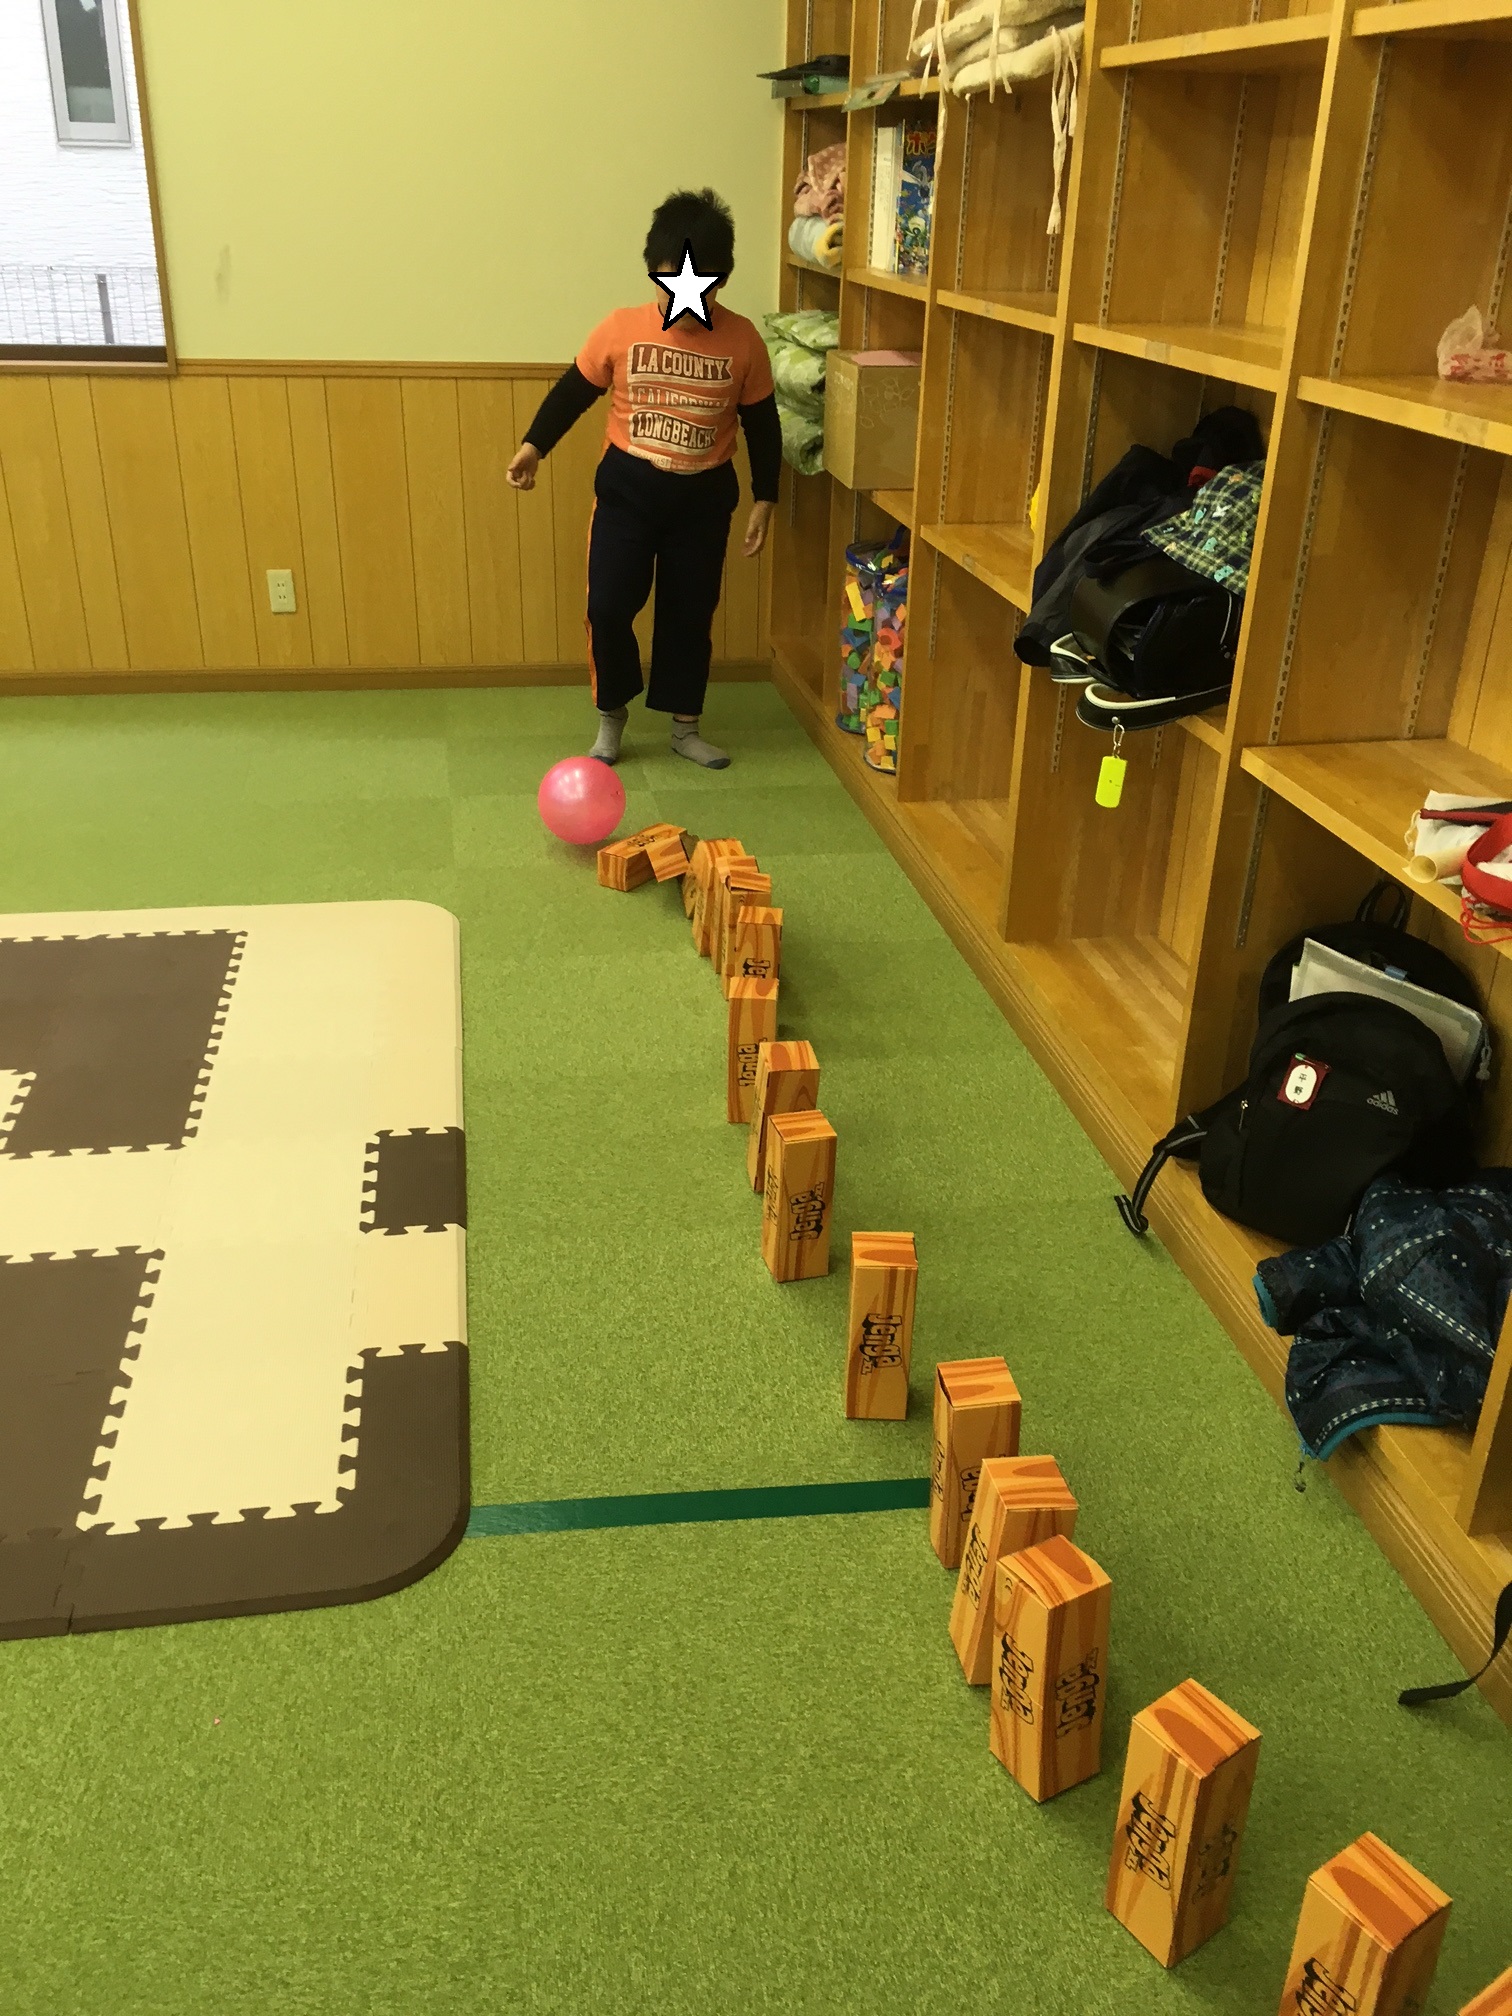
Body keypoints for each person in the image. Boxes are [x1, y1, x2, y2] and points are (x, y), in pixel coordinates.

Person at [507, 188, 781, 770]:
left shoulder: (743, 341)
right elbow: (572, 393)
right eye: (669, 278)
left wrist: (766, 497)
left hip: (704, 498)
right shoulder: (620, 328)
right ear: (653, 269)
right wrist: (534, 446)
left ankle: (685, 728)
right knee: (607, 607)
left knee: (689, 614)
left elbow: (762, 423)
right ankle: (612, 717)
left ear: (722, 279)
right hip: (628, 492)